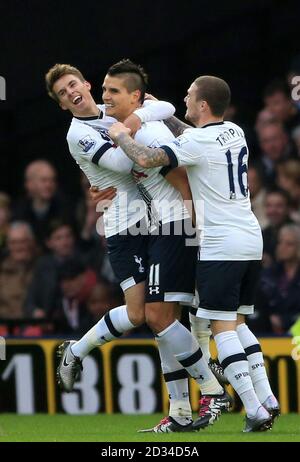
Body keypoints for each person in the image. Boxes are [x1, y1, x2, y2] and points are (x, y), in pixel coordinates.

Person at [45, 62, 230, 433]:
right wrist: (133, 130)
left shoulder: (114, 112)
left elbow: (164, 108)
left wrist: (131, 121)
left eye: (72, 85)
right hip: (122, 224)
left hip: (155, 220)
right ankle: (78, 351)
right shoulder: (77, 133)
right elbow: (119, 160)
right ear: (62, 105)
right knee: (142, 315)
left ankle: (180, 408)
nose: (71, 94)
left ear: (86, 83)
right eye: (63, 94)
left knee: (159, 318)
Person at [108, 75, 280, 432]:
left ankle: (254, 410)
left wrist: (122, 135)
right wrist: (166, 114)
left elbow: (149, 156)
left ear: (203, 104)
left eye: (189, 96)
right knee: (240, 322)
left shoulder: (196, 142)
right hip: (251, 237)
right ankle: (268, 398)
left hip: (221, 242)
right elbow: (192, 132)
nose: (184, 100)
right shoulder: (233, 131)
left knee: (222, 328)